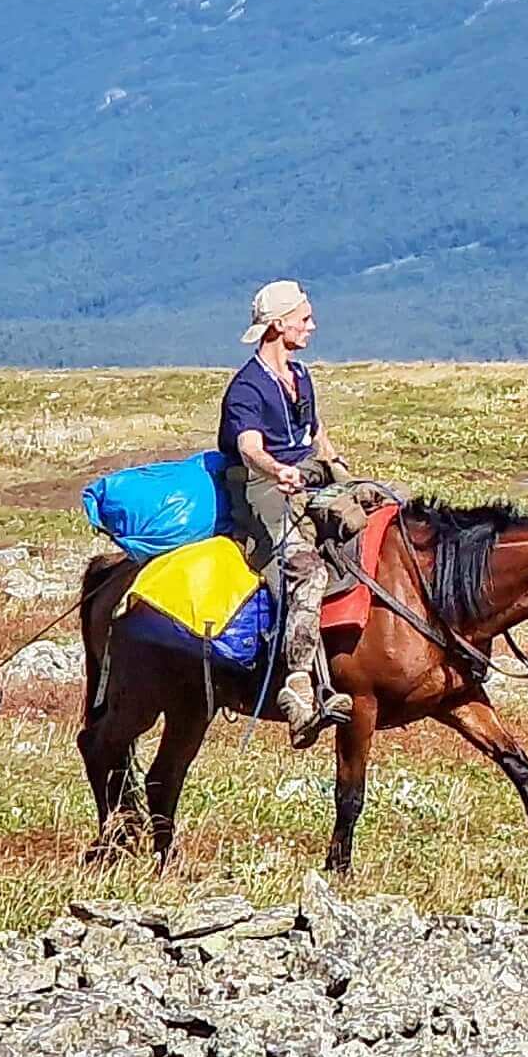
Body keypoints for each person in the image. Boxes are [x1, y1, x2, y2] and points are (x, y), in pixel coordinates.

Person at [220, 280, 356, 745]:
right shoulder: (246, 388)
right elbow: (248, 447)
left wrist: (344, 475)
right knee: (307, 570)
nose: (312, 326)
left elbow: (316, 433)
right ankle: (298, 684)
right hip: (261, 492)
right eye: (304, 319)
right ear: (278, 325)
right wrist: (278, 470)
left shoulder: (300, 376)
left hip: (310, 478)